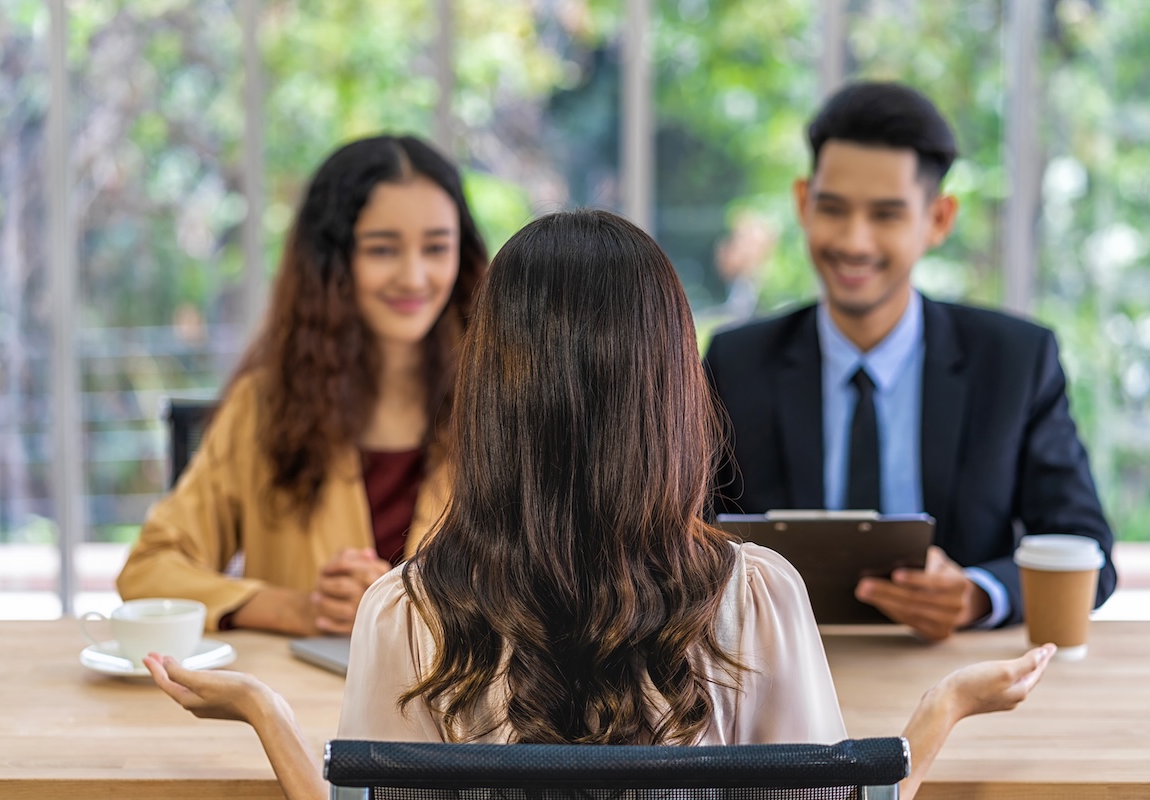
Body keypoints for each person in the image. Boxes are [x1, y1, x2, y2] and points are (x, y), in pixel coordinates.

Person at [144, 209, 1054, 800]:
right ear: (670, 396)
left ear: (490, 399)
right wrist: (939, 713)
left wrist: (267, 711)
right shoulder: (759, 597)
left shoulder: (404, 612)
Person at [704, 81, 1117, 641]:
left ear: (939, 219)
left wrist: (978, 594)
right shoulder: (737, 361)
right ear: (803, 202)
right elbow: (685, 531)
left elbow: (1085, 547)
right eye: (833, 208)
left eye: (886, 215)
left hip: (956, 668)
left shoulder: (1015, 362)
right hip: (780, 670)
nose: (854, 240)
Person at [116, 135, 488, 636]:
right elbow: (149, 570)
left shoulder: (499, 408)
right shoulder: (264, 408)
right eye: (382, 249)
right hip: (297, 705)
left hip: (455, 711)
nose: (414, 276)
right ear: (333, 263)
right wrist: (298, 609)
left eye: (437, 248)